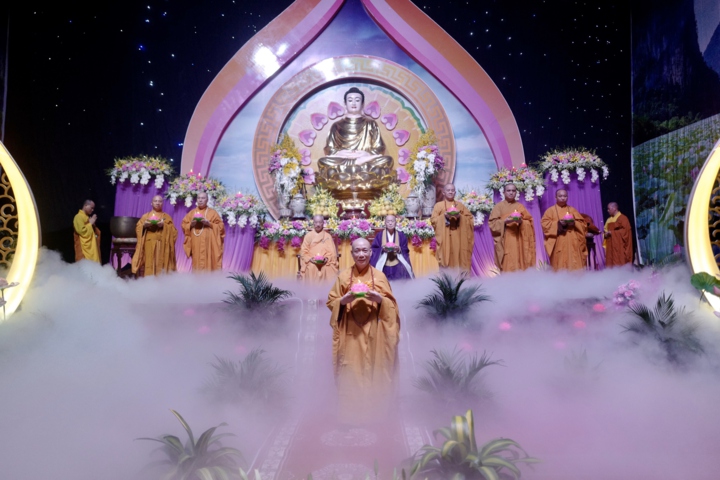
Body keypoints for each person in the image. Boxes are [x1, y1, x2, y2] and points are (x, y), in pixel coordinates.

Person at [327, 238, 400, 424]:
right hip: (350, 334)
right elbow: (331, 301)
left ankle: (373, 417)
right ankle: (349, 418)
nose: (361, 254)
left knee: (373, 373)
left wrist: (380, 300)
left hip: (374, 334)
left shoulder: (380, 277)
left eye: (365, 250)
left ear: (370, 252)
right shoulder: (343, 277)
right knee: (350, 373)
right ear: (351, 253)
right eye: (357, 251)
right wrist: (342, 301)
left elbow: (392, 307)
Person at [317, 87, 394, 193]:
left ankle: (358, 165)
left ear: (362, 104)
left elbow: (380, 147)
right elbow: (329, 148)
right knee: (323, 162)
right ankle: (357, 166)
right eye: (350, 100)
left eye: (357, 100)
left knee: (387, 160)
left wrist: (366, 154)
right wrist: (339, 153)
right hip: (343, 160)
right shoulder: (337, 125)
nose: (353, 103)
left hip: (365, 160)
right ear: (345, 103)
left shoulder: (370, 123)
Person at [488, 183, 536, 272]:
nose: (511, 193)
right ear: (504, 192)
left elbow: (529, 221)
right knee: (508, 261)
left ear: (516, 193)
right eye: (508, 190)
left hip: (519, 239)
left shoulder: (520, 206)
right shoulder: (498, 207)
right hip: (506, 239)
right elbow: (492, 223)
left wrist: (521, 222)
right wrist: (505, 221)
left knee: (520, 260)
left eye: (513, 191)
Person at [430, 184, 474, 272]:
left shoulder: (460, 206)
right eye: (448, 190)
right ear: (443, 192)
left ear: (455, 192)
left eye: (452, 190)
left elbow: (470, 219)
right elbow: (433, 220)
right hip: (445, 238)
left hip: (459, 238)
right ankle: (446, 279)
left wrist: (460, 217)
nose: (450, 192)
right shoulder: (438, 205)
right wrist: (444, 217)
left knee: (460, 258)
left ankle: (460, 279)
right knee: (445, 259)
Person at [541, 189, 587, 271]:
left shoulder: (572, 210)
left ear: (567, 197)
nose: (563, 198)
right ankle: (559, 278)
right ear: (555, 197)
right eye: (560, 196)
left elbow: (583, 224)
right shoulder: (550, 211)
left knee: (573, 260)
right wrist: (558, 224)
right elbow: (545, 224)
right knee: (559, 261)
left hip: (572, 239)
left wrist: (574, 223)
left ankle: (575, 277)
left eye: (565, 196)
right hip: (558, 239)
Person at [131, 195, 178, 276]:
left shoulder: (166, 217)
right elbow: (138, 228)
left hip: (162, 244)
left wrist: (164, 226)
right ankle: (149, 281)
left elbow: (174, 232)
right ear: (151, 203)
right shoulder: (145, 216)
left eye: (160, 201)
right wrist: (144, 226)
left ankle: (161, 282)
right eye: (155, 201)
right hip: (148, 243)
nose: (157, 203)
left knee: (161, 262)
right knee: (149, 262)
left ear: (162, 203)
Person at [181, 192, 225, 271]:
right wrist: (191, 224)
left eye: (203, 198)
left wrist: (209, 223)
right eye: (199, 198)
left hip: (209, 244)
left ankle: (210, 278)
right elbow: (184, 225)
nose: (200, 200)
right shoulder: (191, 213)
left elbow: (221, 227)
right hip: (196, 243)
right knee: (197, 262)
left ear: (207, 200)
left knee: (209, 262)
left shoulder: (213, 213)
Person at [370, 214, 414, 280]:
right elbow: (374, 248)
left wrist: (399, 249)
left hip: (398, 263)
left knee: (401, 281)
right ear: (385, 223)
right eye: (388, 221)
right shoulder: (379, 235)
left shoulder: (401, 235)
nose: (390, 223)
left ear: (395, 222)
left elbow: (405, 249)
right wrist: (382, 249)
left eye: (392, 221)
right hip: (384, 263)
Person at [299, 214, 339, 282]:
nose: (318, 224)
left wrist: (327, 258)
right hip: (311, 261)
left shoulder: (328, 236)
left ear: (323, 223)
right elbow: (304, 251)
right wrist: (310, 259)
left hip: (326, 261)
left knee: (328, 268)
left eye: (320, 222)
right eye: (316, 222)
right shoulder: (308, 236)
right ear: (313, 223)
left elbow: (332, 252)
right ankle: (312, 288)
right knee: (311, 267)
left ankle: (328, 288)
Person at [604, 202, 633, 267]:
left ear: (614, 208)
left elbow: (626, 231)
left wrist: (612, 233)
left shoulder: (623, 218)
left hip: (620, 246)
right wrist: (605, 234)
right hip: (611, 246)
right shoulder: (609, 220)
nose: (607, 210)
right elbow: (605, 231)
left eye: (609, 209)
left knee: (620, 262)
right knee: (611, 263)